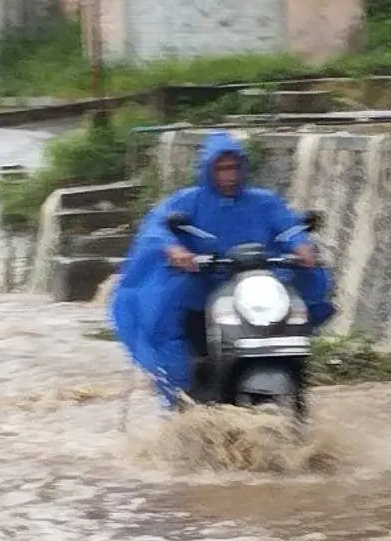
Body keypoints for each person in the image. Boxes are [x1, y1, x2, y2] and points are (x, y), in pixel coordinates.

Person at [111, 131, 332, 407]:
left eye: (234, 167)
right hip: (202, 287)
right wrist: (176, 250)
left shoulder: (264, 201)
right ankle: (181, 398)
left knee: (293, 311)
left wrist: (302, 247)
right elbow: (156, 227)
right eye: (222, 168)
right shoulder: (188, 201)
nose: (229, 175)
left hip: (254, 285)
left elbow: (288, 227)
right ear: (208, 170)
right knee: (168, 329)